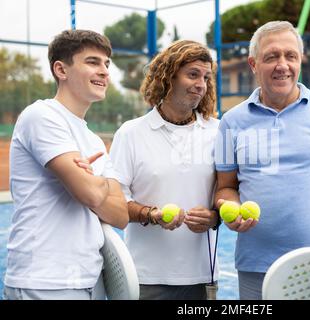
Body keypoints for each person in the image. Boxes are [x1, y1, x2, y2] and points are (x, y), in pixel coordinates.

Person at [214, 21, 310, 300]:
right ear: (253, 64)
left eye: (290, 56)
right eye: (272, 57)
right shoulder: (229, 123)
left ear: (300, 61)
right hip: (255, 269)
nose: (283, 65)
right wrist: (230, 207)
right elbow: (225, 187)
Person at [3, 30, 129, 300]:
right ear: (61, 69)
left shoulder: (93, 140)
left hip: (88, 278)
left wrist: (88, 180)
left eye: (107, 64)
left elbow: (120, 215)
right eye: (93, 62)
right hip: (44, 281)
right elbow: (92, 194)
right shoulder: (42, 116)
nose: (105, 71)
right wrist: (97, 184)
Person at [109, 40, 220, 300]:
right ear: (168, 77)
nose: (201, 84)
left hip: (203, 277)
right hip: (145, 277)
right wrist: (151, 214)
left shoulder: (218, 132)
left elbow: (227, 191)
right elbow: (114, 201)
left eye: (206, 77)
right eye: (192, 74)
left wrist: (215, 216)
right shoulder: (131, 133)